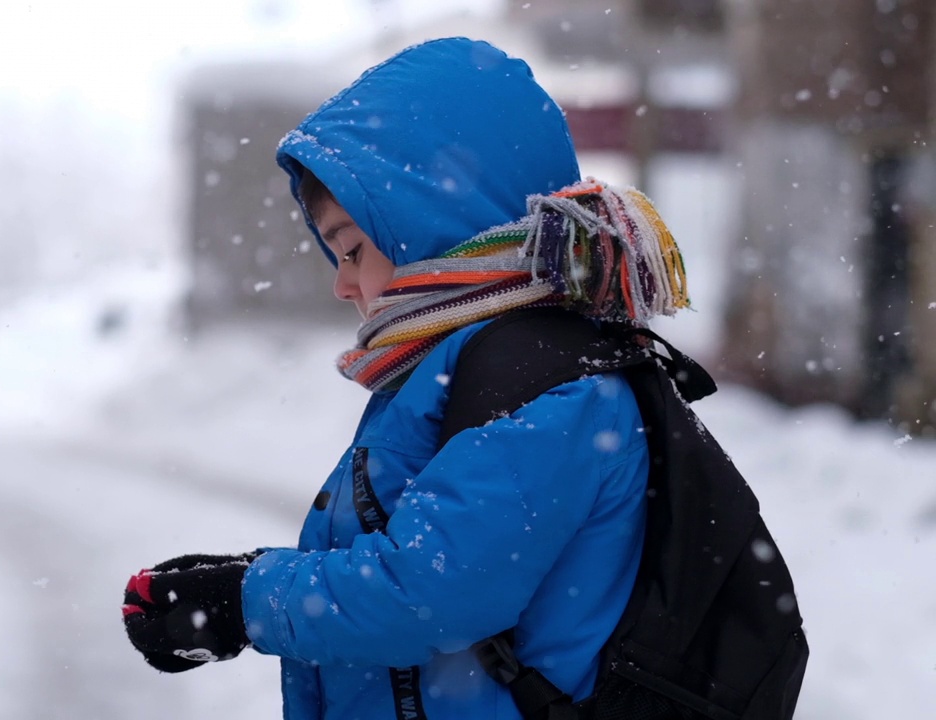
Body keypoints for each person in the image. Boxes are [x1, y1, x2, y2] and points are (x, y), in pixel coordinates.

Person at [122, 36, 692, 719]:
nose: (342, 284)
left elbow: (431, 592)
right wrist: (245, 581)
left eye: (354, 250)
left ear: (434, 229)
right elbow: (421, 556)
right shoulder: (476, 370)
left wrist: (244, 600)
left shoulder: (549, 386)